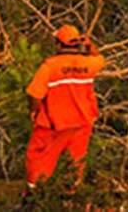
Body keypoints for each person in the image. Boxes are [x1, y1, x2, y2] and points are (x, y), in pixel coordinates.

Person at [24, 24, 106, 189]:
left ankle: (34, 197)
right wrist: (90, 46)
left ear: (58, 44)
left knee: (37, 158)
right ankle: (71, 196)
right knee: (75, 162)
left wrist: (34, 111)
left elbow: (35, 94)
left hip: (53, 124)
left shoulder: (49, 67)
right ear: (77, 44)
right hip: (81, 122)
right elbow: (101, 59)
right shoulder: (89, 64)